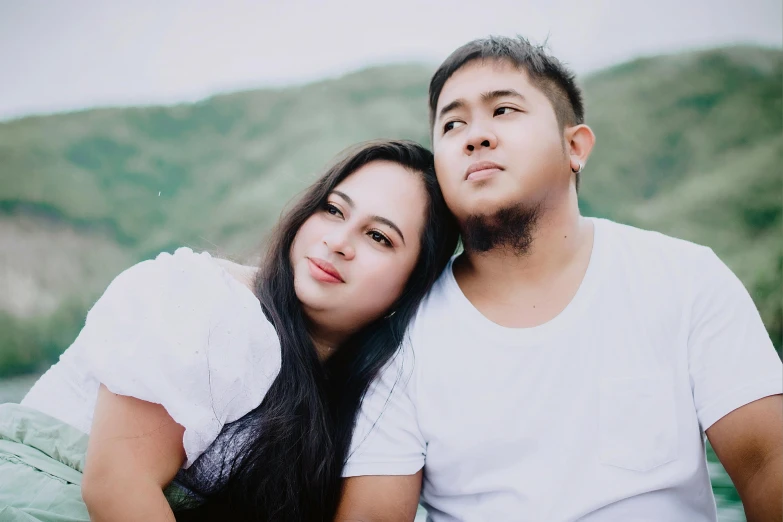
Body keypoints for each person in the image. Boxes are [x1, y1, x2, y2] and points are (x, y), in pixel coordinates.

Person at [335, 37, 783, 522]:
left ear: (575, 147)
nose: (474, 135)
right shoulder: (402, 340)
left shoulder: (685, 279)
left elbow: (768, 465)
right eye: (452, 123)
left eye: (503, 110)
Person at [0, 140, 459, 522]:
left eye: (378, 237)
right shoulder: (217, 303)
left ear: (412, 285)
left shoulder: (371, 390)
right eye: (334, 210)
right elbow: (116, 487)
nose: (338, 242)